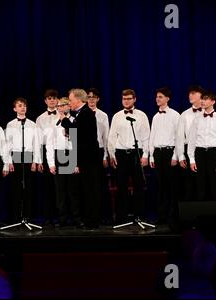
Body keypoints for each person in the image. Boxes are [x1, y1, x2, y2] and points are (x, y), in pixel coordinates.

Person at [108, 89, 150, 224]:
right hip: (120, 153)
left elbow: (146, 137)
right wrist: (111, 154)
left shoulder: (142, 115)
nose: (126, 101)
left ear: (134, 99)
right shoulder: (117, 116)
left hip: (136, 153)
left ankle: (139, 215)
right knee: (121, 186)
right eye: (124, 99)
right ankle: (121, 217)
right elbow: (112, 137)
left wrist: (145, 155)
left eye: (129, 98)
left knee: (138, 186)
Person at [61, 89, 101, 228]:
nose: (69, 103)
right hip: (84, 157)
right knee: (84, 190)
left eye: (71, 100)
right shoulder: (81, 113)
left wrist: (65, 121)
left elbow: (77, 132)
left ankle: (92, 221)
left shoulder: (86, 113)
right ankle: (88, 219)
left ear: (78, 100)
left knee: (90, 190)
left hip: (88, 159)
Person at [188, 91, 216, 201]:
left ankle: (215, 215)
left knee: (215, 184)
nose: (202, 101)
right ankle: (201, 214)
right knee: (200, 183)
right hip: (200, 153)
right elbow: (192, 140)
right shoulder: (197, 119)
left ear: (213, 101)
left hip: (214, 153)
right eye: (202, 99)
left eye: (205, 99)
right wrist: (191, 159)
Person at [5, 97, 41, 223]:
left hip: (28, 155)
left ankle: (27, 215)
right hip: (15, 155)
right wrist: (8, 161)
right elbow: (7, 145)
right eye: (20, 105)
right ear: (15, 109)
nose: (23, 107)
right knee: (16, 187)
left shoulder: (32, 124)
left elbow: (36, 143)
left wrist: (35, 161)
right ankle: (16, 215)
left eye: (24, 105)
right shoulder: (10, 124)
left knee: (28, 187)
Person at [46, 97, 80, 226]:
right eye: (58, 106)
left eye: (63, 105)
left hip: (71, 155)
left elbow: (77, 143)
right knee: (60, 191)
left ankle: (76, 218)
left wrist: (76, 163)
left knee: (73, 190)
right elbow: (49, 145)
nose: (60, 108)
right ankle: (62, 218)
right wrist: (51, 164)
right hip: (59, 155)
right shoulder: (53, 124)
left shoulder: (75, 121)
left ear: (69, 106)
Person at [149, 87, 180, 225]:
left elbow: (178, 137)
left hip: (170, 152)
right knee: (160, 186)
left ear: (167, 98)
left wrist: (176, 156)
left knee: (172, 186)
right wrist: (151, 156)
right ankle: (161, 216)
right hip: (158, 153)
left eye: (160, 96)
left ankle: (173, 216)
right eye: (157, 96)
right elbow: (152, 137)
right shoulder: (155, 116)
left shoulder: (175, 115)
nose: (157, 99)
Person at [86, 88, 111, 224]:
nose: (91, 99)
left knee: (98, 185)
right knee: (87, 186)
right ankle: (88, 216)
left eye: (94, 97)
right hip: (85, 152)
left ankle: (101, 216)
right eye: (89, 97)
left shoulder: (103, 115)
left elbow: (106, 137)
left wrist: (105, 156)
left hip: (99, 151)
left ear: (98, 99)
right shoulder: (80, 114)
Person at [177, 85, 205, 201]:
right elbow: (179, 136)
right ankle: (190, 216)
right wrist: (180, 155)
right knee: (189, 183)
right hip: (189, 149)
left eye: (193, 93)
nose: (190, 95)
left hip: (204, 149)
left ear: (201, 96)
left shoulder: (207, 113)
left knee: (203, 182)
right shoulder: (184, 114)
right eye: (189, 93)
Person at [35, 89, 59, 225]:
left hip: (61, 151)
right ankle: (48, 216)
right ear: (45, 101)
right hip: (45, 152)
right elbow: (38, 140)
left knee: (61, 186)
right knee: (48, 186)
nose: (52, 100)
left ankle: (61, 216)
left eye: (54, 98)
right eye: (49, 98)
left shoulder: (64, 115)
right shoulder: (40, 118)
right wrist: (38, 160)